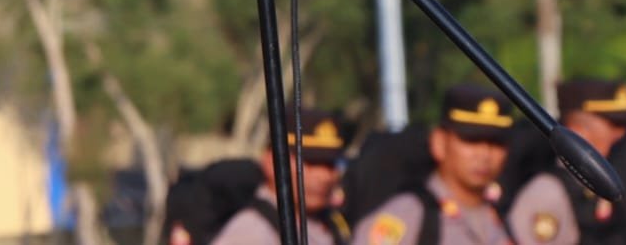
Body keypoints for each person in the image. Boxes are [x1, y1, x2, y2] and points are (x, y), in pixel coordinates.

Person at [351, 84, 514, 245]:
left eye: (496, 142)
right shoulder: (409, 216)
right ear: (439, 142)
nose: (484, 154)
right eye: (471, 140)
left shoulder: (505, 217)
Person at [505, 79, 626, 244]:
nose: (621, 133)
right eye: (614, 124)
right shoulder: (549, 194)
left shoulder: (602, 186)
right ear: (577, 131)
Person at [212, 108, 352, 245]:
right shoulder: (250, 233)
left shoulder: (334, 222)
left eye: (331, 164)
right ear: (272, 161)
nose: (325, 176)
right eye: (311, 163)